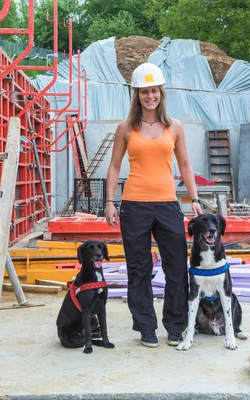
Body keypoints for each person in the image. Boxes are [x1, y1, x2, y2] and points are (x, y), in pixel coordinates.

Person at [105, 62, 203, 348]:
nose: (150, 96)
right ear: (136, 94)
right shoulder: (126, 128)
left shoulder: (175, 127)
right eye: (144, 91)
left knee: (175, 267)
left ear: (161, 93)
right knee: (138, 268)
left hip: (167, 205)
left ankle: (174, 326)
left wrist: (194, 198)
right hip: (134, 205)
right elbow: (113, 167)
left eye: (154, 91)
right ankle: (146, 327)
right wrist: (110, 202)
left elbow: (185, 164)